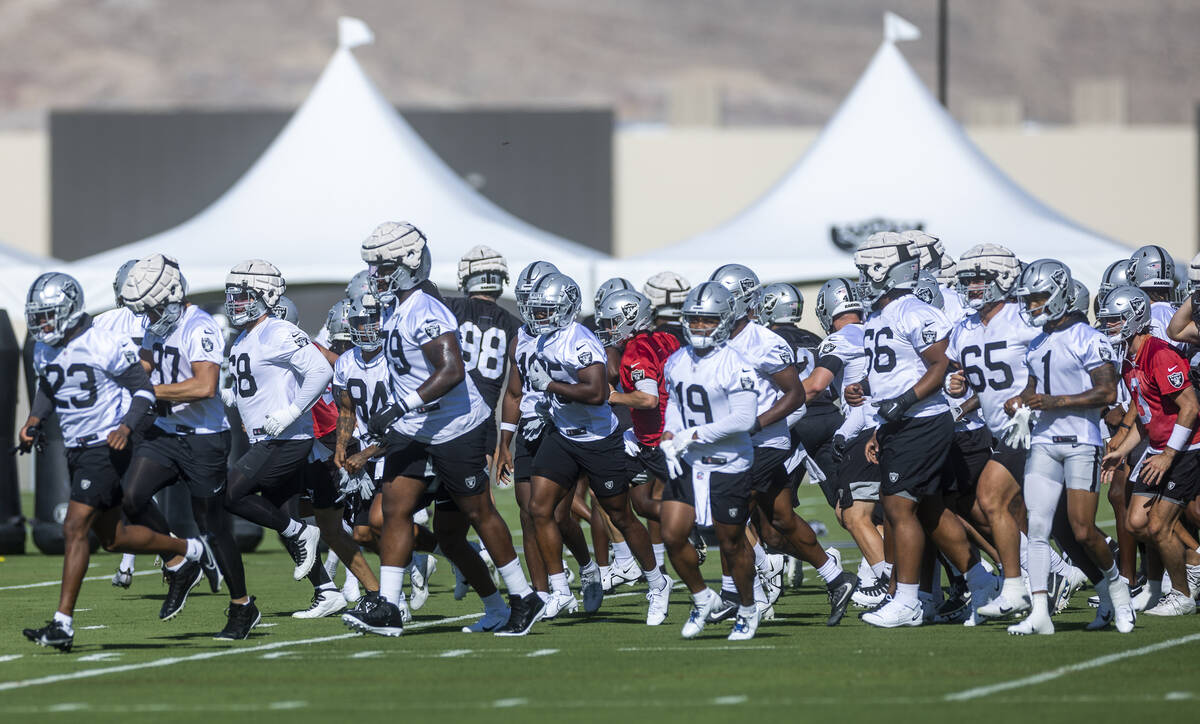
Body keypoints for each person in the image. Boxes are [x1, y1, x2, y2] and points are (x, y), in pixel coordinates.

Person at [342, 221, 540, 637]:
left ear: (409, 264)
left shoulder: (426, 309)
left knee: (476, 513)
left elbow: (451, 369)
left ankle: (524, 598)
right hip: (415, 429)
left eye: (383, 267)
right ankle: (390, 607)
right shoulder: (398, 306)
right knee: (400, 514)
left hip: (454, 428)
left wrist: (400, 405)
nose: (376, 276)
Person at [20, 272, 207, 652]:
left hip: (107, 446)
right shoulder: (44, 349)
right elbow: (47, 386)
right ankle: (186, 550)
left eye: (49, 314)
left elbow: (142, 391)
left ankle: (62, 624)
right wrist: (35, 419)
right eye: (38, 316)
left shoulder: (102, 342)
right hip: (77, 448)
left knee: (73, 528)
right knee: (112, 538)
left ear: (70, 311)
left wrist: (125, 427)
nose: (42, 324)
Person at [844, 232, 996, 628]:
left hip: (922, 420)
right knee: (929, 507)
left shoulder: (914, 310)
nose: (861, 277)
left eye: (866, 270)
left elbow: (940, 364)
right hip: (899, 421)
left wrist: (906, 401)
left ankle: (908, 599)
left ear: (886, 270)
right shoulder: (879, 313)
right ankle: (981, 582)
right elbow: (896, 369)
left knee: (897, 507)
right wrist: (873, 401)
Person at [520, 271, 672, 626]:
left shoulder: (581, 341)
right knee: (538, 508)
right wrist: (545, 405)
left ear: (566, 309)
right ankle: (559, 589)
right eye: (537, 310)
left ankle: (656, 582)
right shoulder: (545, 340)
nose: (539, 317)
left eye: (546, 311)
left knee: (620, 515)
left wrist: (553, 388)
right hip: (563, 435)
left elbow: (597, 392)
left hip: (598, 439)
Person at [710, 264, 858, 626]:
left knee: (728, 516)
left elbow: (795, 396)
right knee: (781, 520)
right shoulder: (723, 341)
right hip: (745, 442)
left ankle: (744, 596)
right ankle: (836, 578)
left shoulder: (765, 341)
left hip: (765, 442)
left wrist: (756, 422)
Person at [116, 254, 248, 626]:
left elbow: (204, 386)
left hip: (204, 438)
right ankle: (179, 563)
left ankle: (242, 605)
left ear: (173, 293)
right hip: (166, 434)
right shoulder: (156, 324)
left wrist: (149, 392)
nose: (152, 316)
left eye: (155, 307)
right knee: (132, 498)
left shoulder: (200, 326)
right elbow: (144, 365)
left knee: (213, 527)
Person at [1004, 259, 1134, 635]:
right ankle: (1040, 613)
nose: (1032, 305)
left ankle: (1117, 588)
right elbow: (1033, 391)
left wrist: (1053, 402)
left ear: (1061, 294)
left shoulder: (1090, 339)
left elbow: (1107, 392)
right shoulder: (1038, 342)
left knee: (1082, 530)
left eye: (1040, 297)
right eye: (1029, 299)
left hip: (1081, 441)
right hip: (1044, 442)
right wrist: (1019, 402)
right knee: (1040, 527)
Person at [219, 259, 331, 639]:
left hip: (287, 438)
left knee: (231, 495)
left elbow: (320, 371)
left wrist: (291, 411)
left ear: (266, 296)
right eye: (232, 296)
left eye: (243, 296)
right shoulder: (244, 337)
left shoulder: (279, 330)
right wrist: (233, 393)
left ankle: (303, 534)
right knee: (284, 519)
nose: (234, 303)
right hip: (264, 437)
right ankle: (327, 589)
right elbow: (258, 380)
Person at [659, 282, 761, 640]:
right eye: (694, 319)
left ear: (724, 320)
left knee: (731, 543)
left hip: (728, 461)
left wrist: (693, 435)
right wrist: (671, 434)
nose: (700, 326)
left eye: (708, 320)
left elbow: (744, 419)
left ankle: (748, 609)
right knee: (671, 534)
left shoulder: (737, 363)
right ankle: (704, 598)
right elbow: (674, 403)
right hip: (688, 460)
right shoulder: (677, 360)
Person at [1099, 286, 1200, 615]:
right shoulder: (1130, 361)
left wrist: (1169, 454)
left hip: (1185, 448)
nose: (1110, 327)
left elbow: (1190, 408)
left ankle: (1182, 594)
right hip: (1158, 447)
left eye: (1115, 321)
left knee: (1158, 524)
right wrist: (1120, 451)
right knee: (1137, 521)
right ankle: (1196, 554)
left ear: (1134, 319)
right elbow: (1144, 418)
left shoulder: (1159, 354)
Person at [805, 279, 890, 607]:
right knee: (880, 514)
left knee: (852, 514)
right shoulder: (878, 330)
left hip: (865, 431)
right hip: (890, 425)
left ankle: (890, 584)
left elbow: (816, 386)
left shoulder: (839, 339)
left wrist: (776, 399)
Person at [598, 287, 683, 580]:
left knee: (702, 509)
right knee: (641, 502)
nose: (608, 330)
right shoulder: (667, 337)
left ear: (629, 318)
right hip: (661, 432)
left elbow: (648, 399)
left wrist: (612, 397)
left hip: (657, 438)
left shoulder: (635, 350)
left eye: (612, 322)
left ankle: (694, 527)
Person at [446, 245, 522, 466]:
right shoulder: (513, 324)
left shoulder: (449, 307)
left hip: (451, 409)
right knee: (479, 492)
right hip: (486, 415)